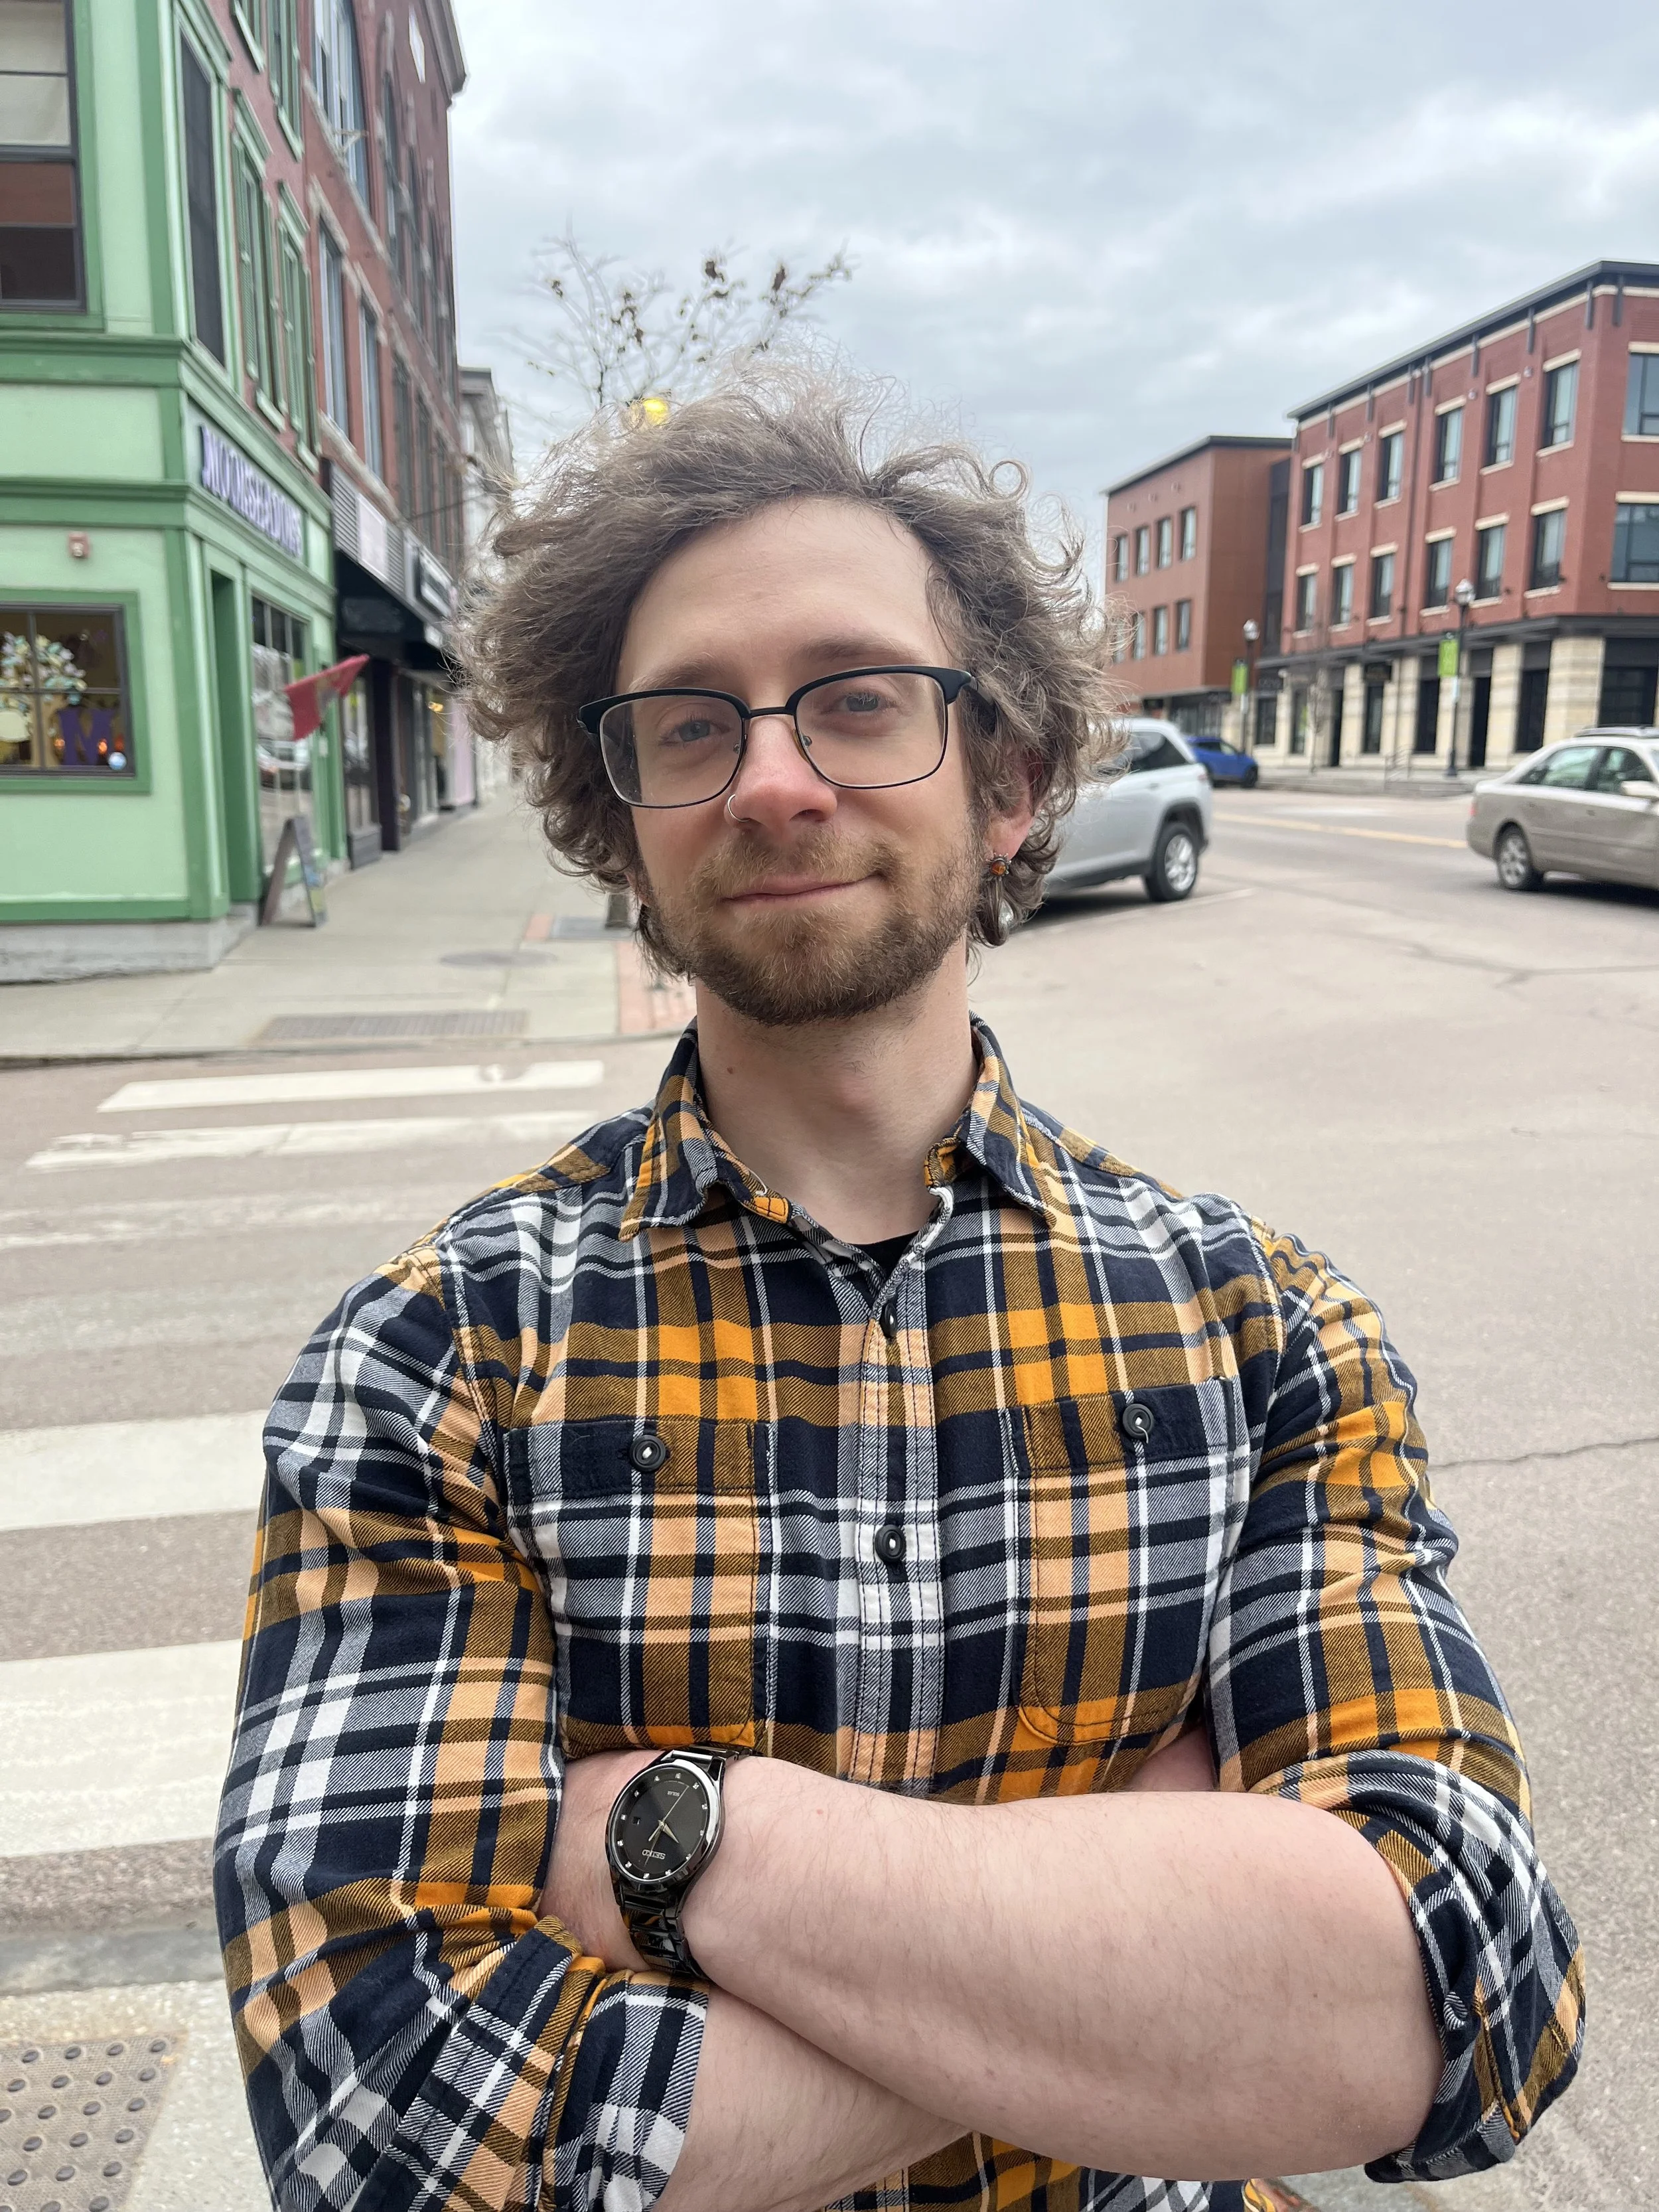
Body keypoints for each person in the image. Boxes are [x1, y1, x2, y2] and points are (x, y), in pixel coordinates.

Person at [216, 379, 1583, 2212]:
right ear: (623, 821)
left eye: (857, 699)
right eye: (690, 724)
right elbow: (379, 2131)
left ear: (1008, 780)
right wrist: (1148, 1928)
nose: (774, 775)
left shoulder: (1262, 1331)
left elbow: (1458, 2001)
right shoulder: (435, 1361)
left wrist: (683, 1839)